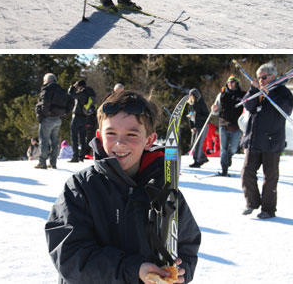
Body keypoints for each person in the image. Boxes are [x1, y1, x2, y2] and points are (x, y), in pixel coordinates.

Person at [45, 90, 201, 283]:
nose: (120, 143)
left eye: (132, 134)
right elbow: (70, 256)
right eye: (111, 133)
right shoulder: (81, 188)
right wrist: (133, 270)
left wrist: (181, 271)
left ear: (149, 140)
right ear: (99, 136)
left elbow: (187, 245)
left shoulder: (164, 191)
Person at [240, 62, 293, 219]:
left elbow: (287, 108)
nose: (261, 80)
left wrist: (269, 94)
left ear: (272, 76)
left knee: (270, 177)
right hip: (253, 139)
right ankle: (252, 202)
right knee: (246, 173)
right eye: (259, 78)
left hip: (272, 141)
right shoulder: (256, 91)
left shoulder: (282, 92)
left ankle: (268, 209)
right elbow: (248, 105)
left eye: (263, 77)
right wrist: (253, 89)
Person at [34, 73, 72, 169]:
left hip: (47, 119)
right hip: (58, 119)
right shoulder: (62, 90)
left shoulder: (47, 89)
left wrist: (45, 114)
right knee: (55, 142)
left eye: (44, 80)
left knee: (44, 141)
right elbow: (71, 101)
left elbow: (44, 102)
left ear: (48, 80)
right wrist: (64, 113)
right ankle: (53, 163)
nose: (43, 82)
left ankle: (42, 162)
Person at [211, 75, 244, 176]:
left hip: (236, 126)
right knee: (223, 148)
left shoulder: (243, 95)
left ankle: (229, 157)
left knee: (234, 148)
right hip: (224, 124)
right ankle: (224, 169)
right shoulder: (222, 95)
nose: (230, 83)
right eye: (229, 82)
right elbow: (215, 111)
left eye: (232, 82)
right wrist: (214, 109)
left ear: (237, 83)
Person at [67, 80, 97, 162]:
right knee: (83, 137)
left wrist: (72, 87)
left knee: (74, 136)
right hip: (85, 117)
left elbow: (71, 95)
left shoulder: (82, 92)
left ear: (79, 86)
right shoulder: (90, 93)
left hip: (77, 116)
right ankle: (82, 156)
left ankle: (75, 156)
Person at [187, 88, 210, 168]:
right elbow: (190, 116)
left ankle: (197, 160)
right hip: (195, 126)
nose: (190, 97)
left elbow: (206, 116)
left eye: (192, 95)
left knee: (198, 144)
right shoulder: (190, 105)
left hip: (202, 125)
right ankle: (203, 158)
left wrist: (196, 116)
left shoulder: (201, 103)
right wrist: (191, 126)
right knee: (193, 143)